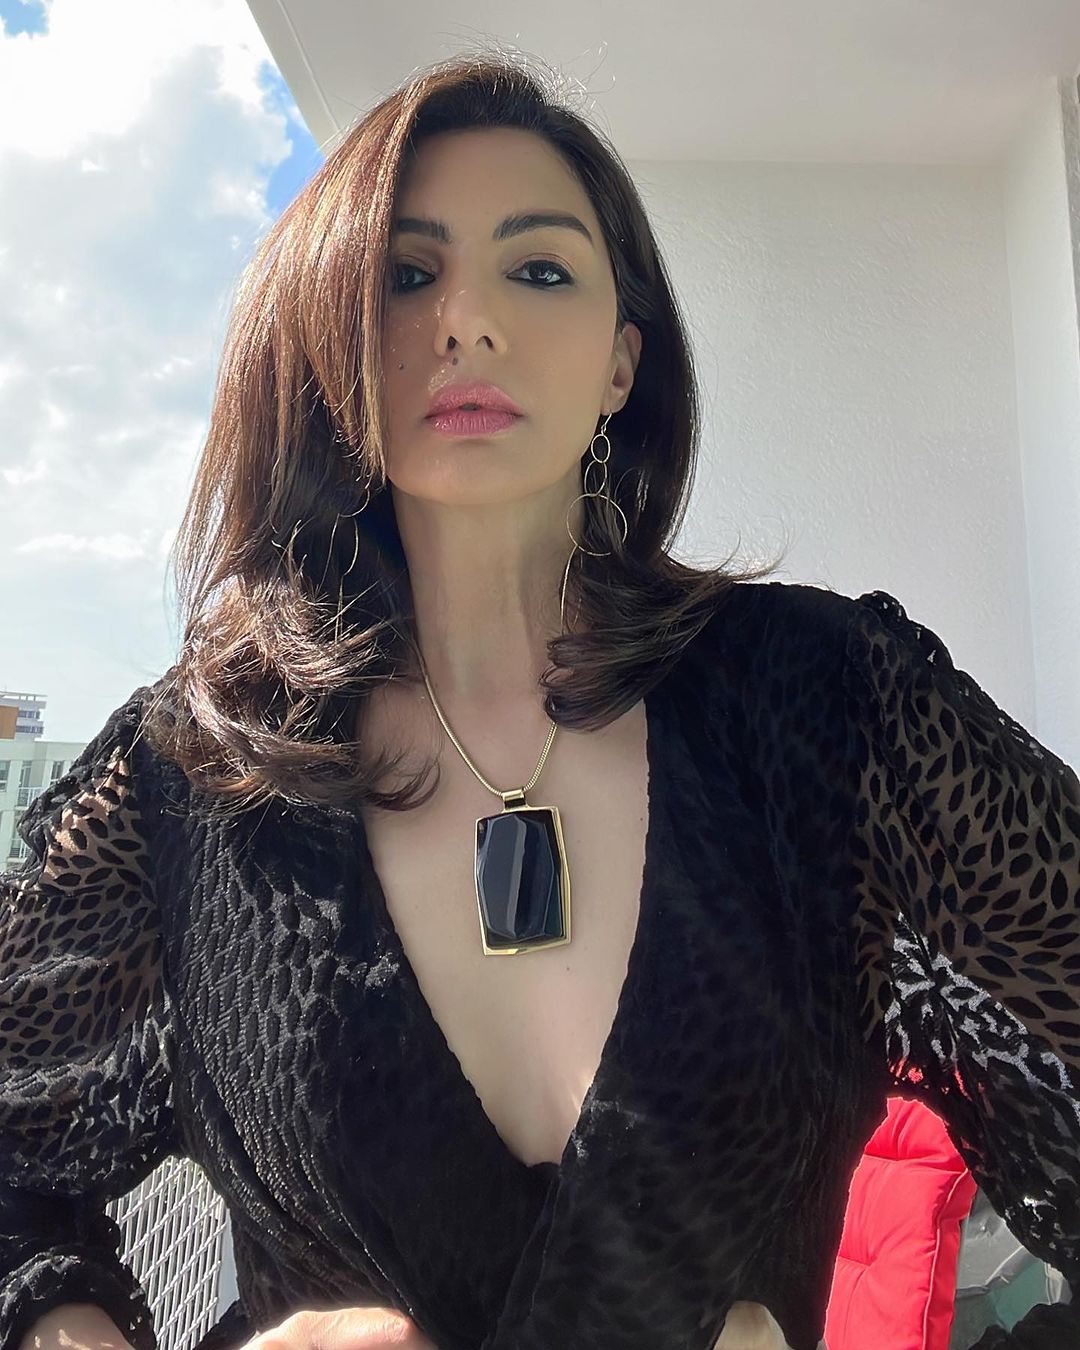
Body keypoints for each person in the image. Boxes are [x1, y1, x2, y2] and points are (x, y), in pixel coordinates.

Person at [2, 50, 1079, 1350]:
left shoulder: (838, 711)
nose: (468, 320)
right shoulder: (188, 775)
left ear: (623, 362)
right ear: (328, 338)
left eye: (541, 269)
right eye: (406, 275)